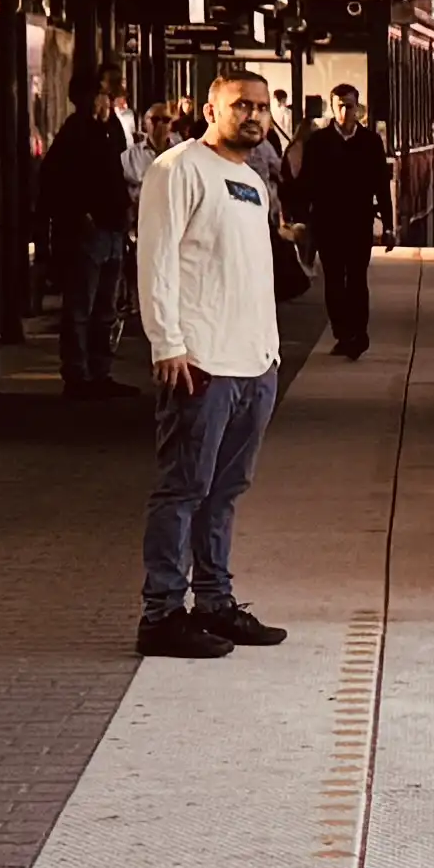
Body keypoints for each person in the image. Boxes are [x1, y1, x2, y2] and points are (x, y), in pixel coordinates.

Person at [133, 64, 290, 661]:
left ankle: (214, 602)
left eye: (261, 106)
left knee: (225, 491)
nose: (253, 115)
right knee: (183, 490)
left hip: (254, 364)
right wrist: (166, 342)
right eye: (240, 105)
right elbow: (157, 261)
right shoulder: (178, 169)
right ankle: (161, 615)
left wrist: (270, 354)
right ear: (210, 110)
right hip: (200, 362)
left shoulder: (251, 180)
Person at [37, 81, 140, 397]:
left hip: (110, 227)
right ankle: (78, 374)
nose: (106, 104)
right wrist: (81, 215)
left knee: (104, 307)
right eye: (101, 97)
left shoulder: (108, 132)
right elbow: (54, 179)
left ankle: (99, 372)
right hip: (90, 231)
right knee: (82, 306)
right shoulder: (75, 133)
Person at [300, 86, 391, 364]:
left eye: (349, 106)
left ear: (357, 108)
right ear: (332, 107)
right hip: (327, 223)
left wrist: (388, 225)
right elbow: (307, 183)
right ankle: (342, 332)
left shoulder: (371, 142)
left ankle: (359, 333)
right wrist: (303, 221)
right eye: (339, 105)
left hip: (359, 222)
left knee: (357, 279)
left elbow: (381, 185)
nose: (344, 111)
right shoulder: (318, 142)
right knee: (334, 280)